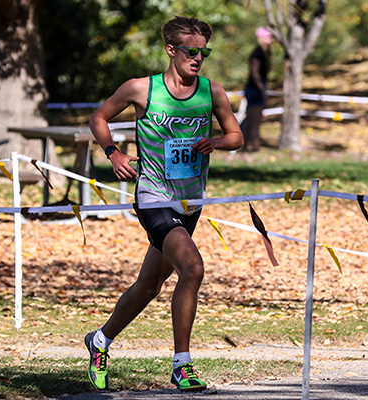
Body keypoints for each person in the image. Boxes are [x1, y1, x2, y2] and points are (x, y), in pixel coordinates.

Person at [86, 16, 243, 392]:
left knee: (148, 286)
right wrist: (113, 153)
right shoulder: (142, 89)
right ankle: (181, 365)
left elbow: (235, 135)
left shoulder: (212, 92)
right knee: (193, 268)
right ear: (171, 50)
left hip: (191, 202)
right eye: (191, 51)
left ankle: (100, 340)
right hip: (154, 197)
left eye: (204, 52)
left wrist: (216, 142)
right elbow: (99, 118)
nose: (198, 58)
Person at [241, 27, 273, 152]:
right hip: (254, 89)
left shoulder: (265, 53)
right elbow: (255, 73)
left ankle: (250, 146)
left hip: (258, 88)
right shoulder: (257, 53)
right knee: (253, 119)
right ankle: (251, 147)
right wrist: (262, 89)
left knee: (254, 119)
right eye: (269, 37)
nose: (271, 39)